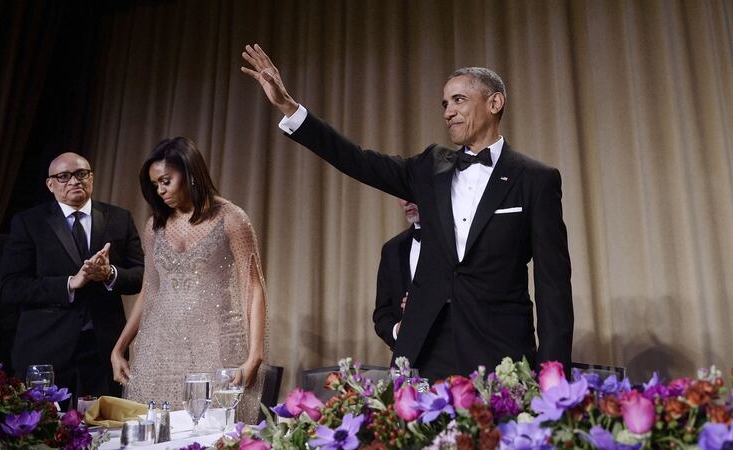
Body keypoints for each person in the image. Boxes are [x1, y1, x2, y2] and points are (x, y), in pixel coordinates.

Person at [241, 44, 574, 381]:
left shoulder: (535, 179)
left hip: (497, 350)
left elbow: (553, 288)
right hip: (425, 349)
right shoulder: (432, 167)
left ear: (494, 102)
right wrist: (291, 108)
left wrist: (553, 375)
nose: (447, 112)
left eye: (458, 100)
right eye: (444, 104)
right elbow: (357, 160)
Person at [110, 137, 268, 423]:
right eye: (156, 184)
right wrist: (120, 347)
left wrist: (255, 355)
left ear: (191, 173)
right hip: (159, 349)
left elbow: (253, 287)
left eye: (166, 181)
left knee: (214, 432)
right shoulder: (154, 226)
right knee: (154, 432)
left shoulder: (231, 218)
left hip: (217, 345)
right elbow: (149, 290)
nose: (160, 191)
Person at [0, 152, 144, 401]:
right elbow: (11, 287)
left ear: (92, 178)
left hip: (103, 349)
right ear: (50, 184)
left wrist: (109, 274)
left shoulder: (119, 218)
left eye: (81, 174)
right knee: (44, 435)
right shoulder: (28, 222)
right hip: (45, 348)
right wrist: (69, 283)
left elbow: (142, 276)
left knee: (103, 432)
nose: (74, 181)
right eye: (64, 176)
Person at [373, 200, 421, 352]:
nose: (405, 202)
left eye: (410, 193)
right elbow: (382, 312)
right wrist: (397, 330)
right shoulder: (392, 249)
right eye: (400, 195)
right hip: (407, 359)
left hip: (453, 360)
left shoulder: (458, 243)